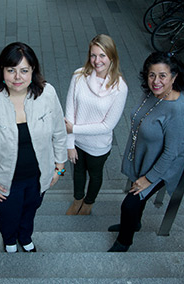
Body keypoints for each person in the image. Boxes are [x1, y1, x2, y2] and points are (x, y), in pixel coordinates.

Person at [0, 42, 67, 253]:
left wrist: (59, 167)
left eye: (24, 70)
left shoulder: (47, 94)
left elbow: (59, 131)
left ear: (33, 71)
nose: (17, 77)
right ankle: (10, 239)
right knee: (8, 214)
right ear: (1, 71)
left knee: (30, 210)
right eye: (11, 70)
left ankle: (25, 236)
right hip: (3, 181)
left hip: (39, 176)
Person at [108, 52, 184, 252]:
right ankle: (134, 223)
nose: (156, 81)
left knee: (130, 203)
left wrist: (149, 178)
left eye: (162, 75)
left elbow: (171, 152)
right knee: (136, 201)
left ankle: (124, 242)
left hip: (164, 165)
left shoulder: (178, 109)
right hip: (146, 155)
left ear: (174, 76)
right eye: (151, 75)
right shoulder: (151, 94)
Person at [65, 34, 128, 215]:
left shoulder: (119, 87)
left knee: (95, 175)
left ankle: (89, 202)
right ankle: (77, 200)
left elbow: (107, 125)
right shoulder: (78, 76)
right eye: (93, 55)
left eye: (102, 55)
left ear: (112, 57)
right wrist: (70, 143)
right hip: (76, 143)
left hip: (98, 145)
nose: (97, 60)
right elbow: (69, 113)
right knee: (77, 174)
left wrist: (73, 129)